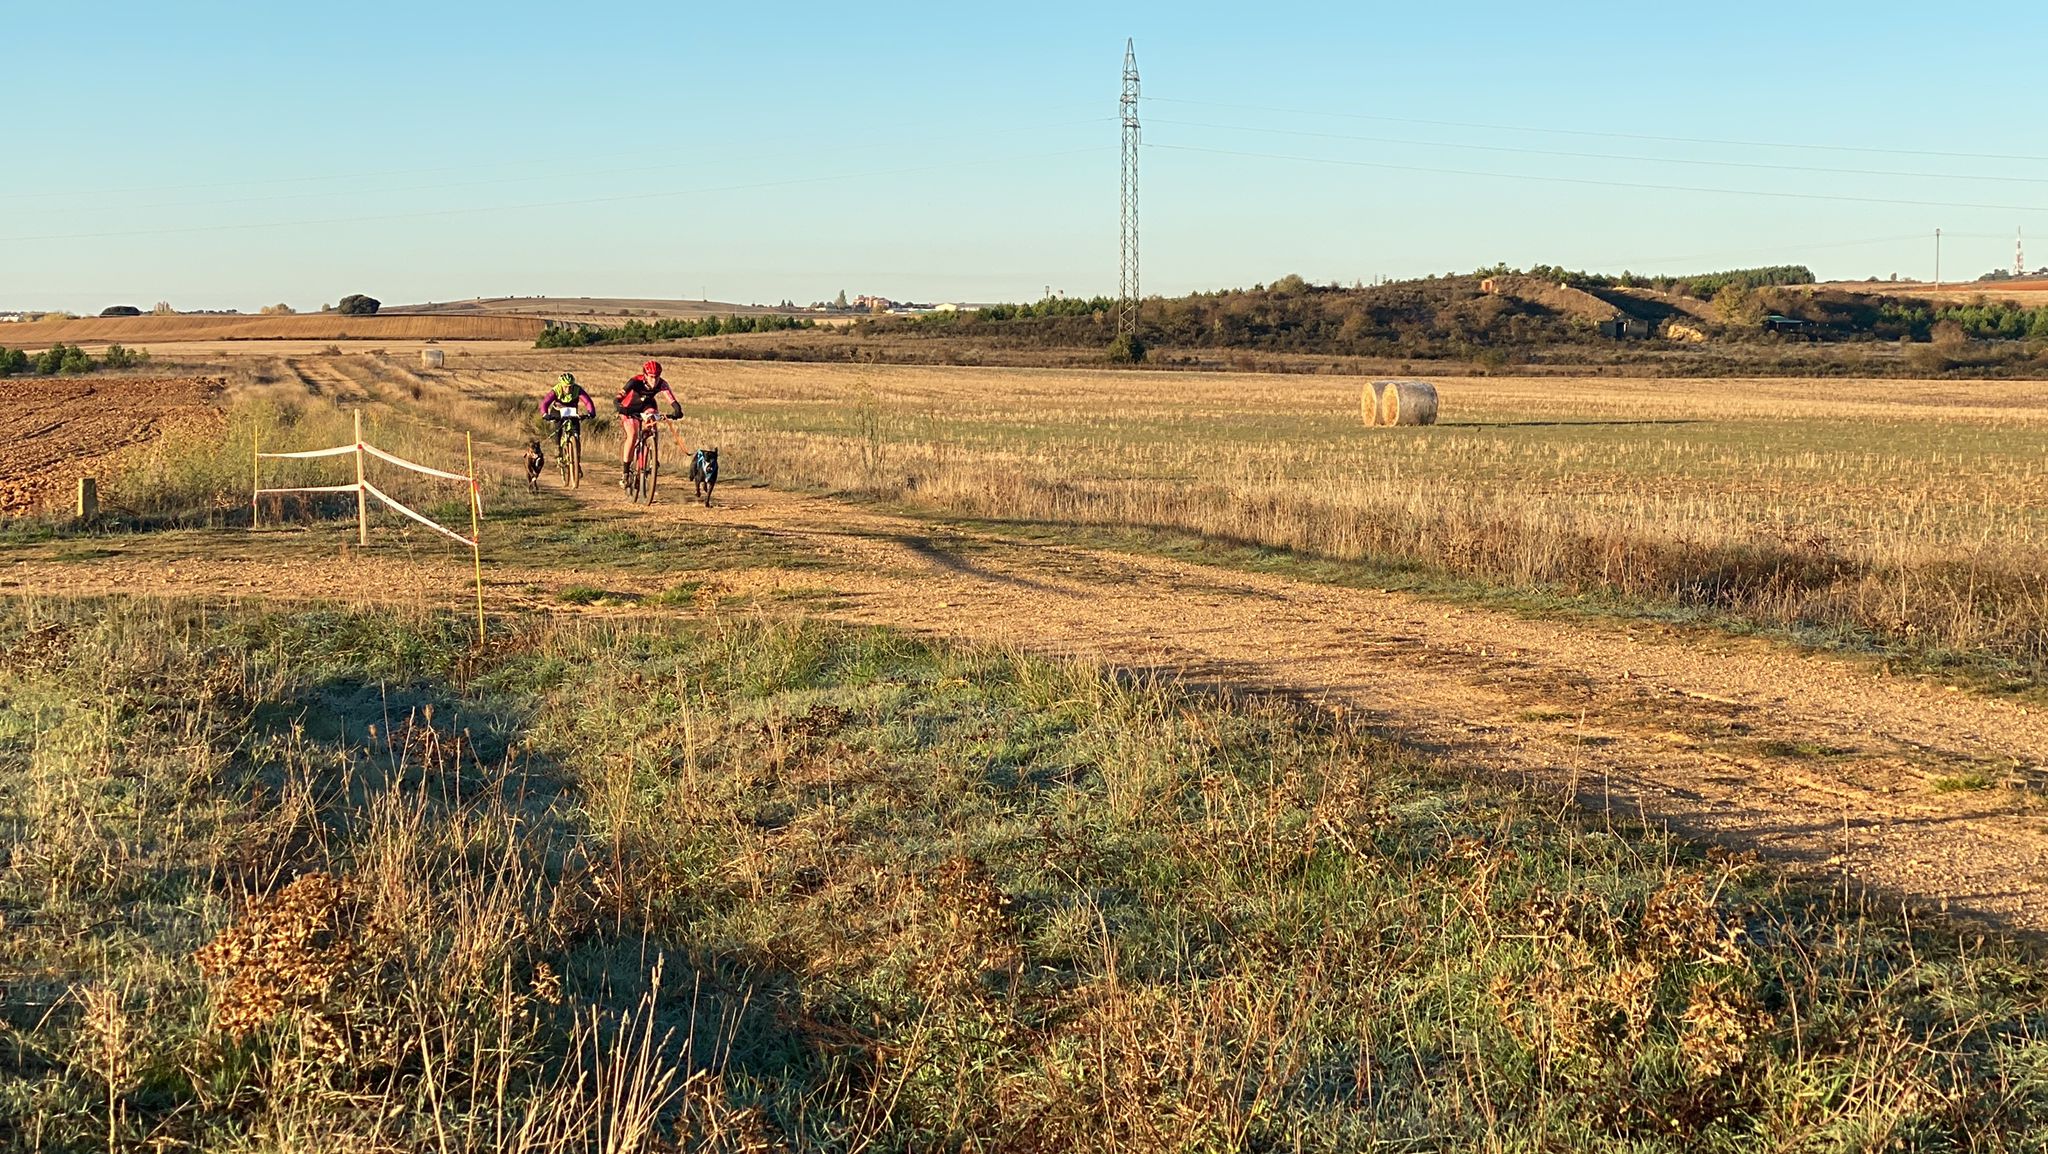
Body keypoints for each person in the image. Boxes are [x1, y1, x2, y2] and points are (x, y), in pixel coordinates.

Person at [615, 360, 682, 487]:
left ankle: (652, 454)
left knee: (652, 421)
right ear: (645, 375)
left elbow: (670, 397)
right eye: (651, 377)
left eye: (657, 377)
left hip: (646, 406)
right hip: (629, 407)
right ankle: (625, 473)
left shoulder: (662, 383)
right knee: (633, 434)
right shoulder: (635, 381)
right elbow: (619, 396)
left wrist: (677, 409)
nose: (654, 380)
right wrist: (618, 405)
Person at [537, 372, 596, 452]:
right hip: (558, 410)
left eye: (570, 387)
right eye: (565, 387)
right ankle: (557, 448)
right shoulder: (556, 390)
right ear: (561, 385)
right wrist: (545, 414)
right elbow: (545, 402)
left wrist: (591, 412)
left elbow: (587, 401)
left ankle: (576, 456)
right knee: (558, 428)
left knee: (576, 431)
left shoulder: (577, 389)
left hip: (572, 411)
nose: (568, 389)